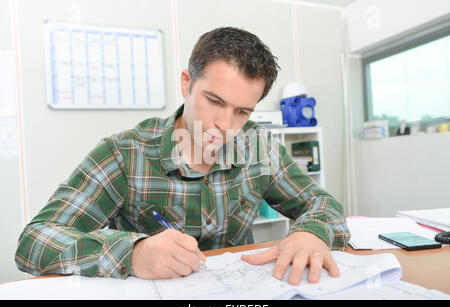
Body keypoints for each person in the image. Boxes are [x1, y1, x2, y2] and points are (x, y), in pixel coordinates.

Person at [15, 27, 350, 286]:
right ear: (186, 83)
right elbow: (35, 241)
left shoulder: (257, 146)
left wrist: (310, 232)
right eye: (214, 101)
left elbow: (322, 203)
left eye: (242, 112)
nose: (224, 124)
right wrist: (131, 254)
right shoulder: (124, 153)